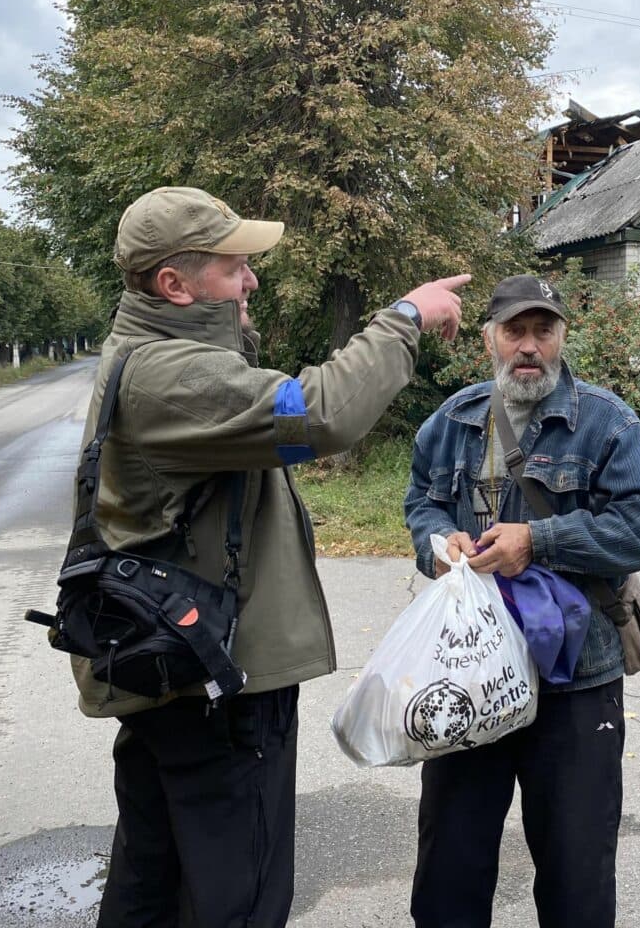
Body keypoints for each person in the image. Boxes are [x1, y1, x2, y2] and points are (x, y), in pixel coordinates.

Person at [75, 185, 469, 928]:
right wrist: (405, 318)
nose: (253, 280)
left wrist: (234, 328)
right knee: (239, 895)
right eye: (235, 270)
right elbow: (317, 416)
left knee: (152, 880)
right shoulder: (173, 376)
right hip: (217, 687)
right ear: (175, 285)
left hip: (174, 669)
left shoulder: (151, 356)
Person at [403, 274, 640, 928]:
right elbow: (422, 501)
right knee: (450, 867)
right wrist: (438, 543)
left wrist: (541, 539)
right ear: (488, 337)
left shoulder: (606, 421)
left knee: (576, 873)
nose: (529, 346)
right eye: (514, 331)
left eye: (543, 331)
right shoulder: (450, 421)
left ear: (560, 337)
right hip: (470, 673)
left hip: (578, 682)